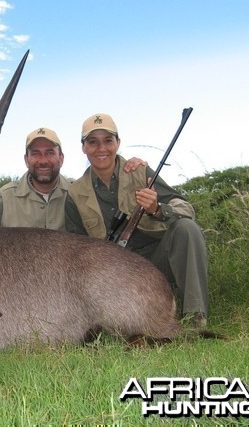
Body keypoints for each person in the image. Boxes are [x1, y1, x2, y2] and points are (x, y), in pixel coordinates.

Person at [65, 113, 209, 326]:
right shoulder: (75, 193)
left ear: (118, 143)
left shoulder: (140, 171)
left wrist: (157, 209)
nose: (101, 148)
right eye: (92, 142)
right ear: (83, 148)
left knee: (186, 228)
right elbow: (74, 250)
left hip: (156, 262)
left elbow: (185, 208)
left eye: (108, 141)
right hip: (113, 275)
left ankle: (195, 317)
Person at [0, 127, 72, 230]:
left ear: (61, 158)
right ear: (26, 160)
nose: (43, 161)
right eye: (35, 153)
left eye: (50, 153)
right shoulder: (2, 198)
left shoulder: (78, 193)